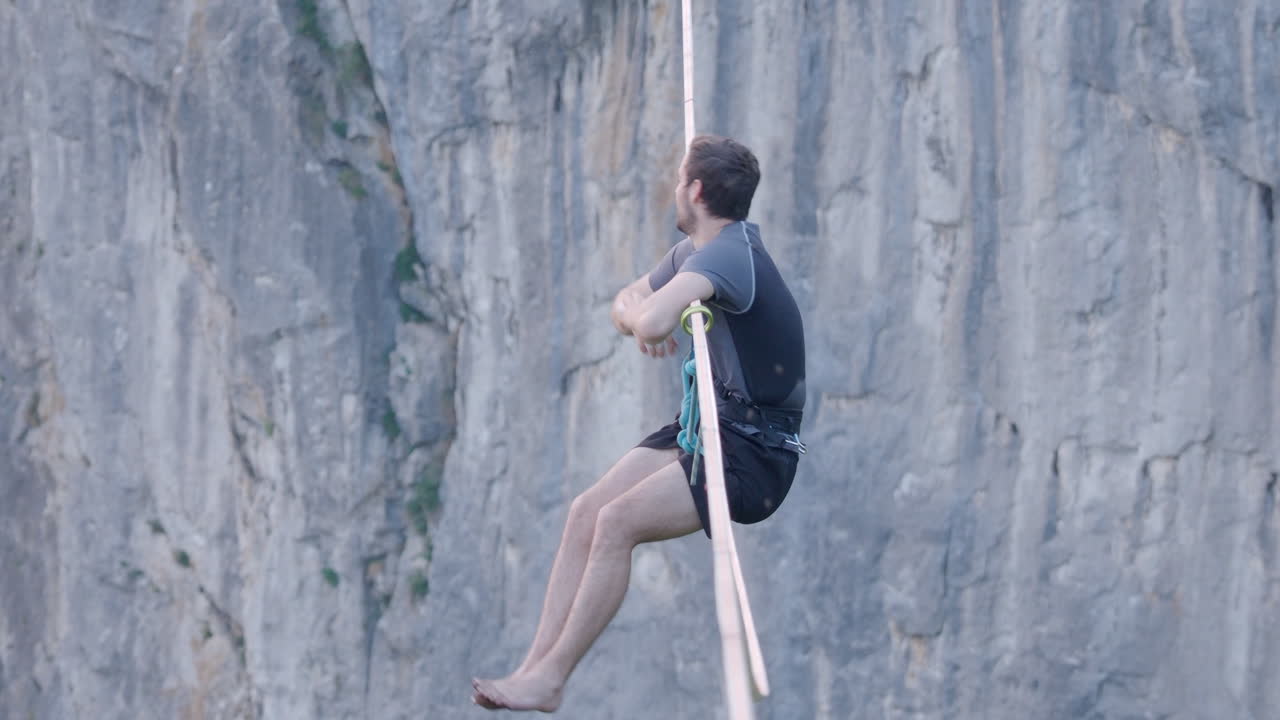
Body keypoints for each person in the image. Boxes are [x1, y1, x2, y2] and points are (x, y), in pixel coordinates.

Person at [472, 135, 806, 712]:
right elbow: (628, 303)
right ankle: (533, 669)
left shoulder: (728, 257)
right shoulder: (697, 251)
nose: (673, 188)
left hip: (757, 452)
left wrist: (648, 317)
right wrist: (644, 314)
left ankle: (552, 679)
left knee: (617, 522)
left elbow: (648, 321)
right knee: (586, 511)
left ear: (695, 191)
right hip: (717, 421)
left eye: (678, 179)